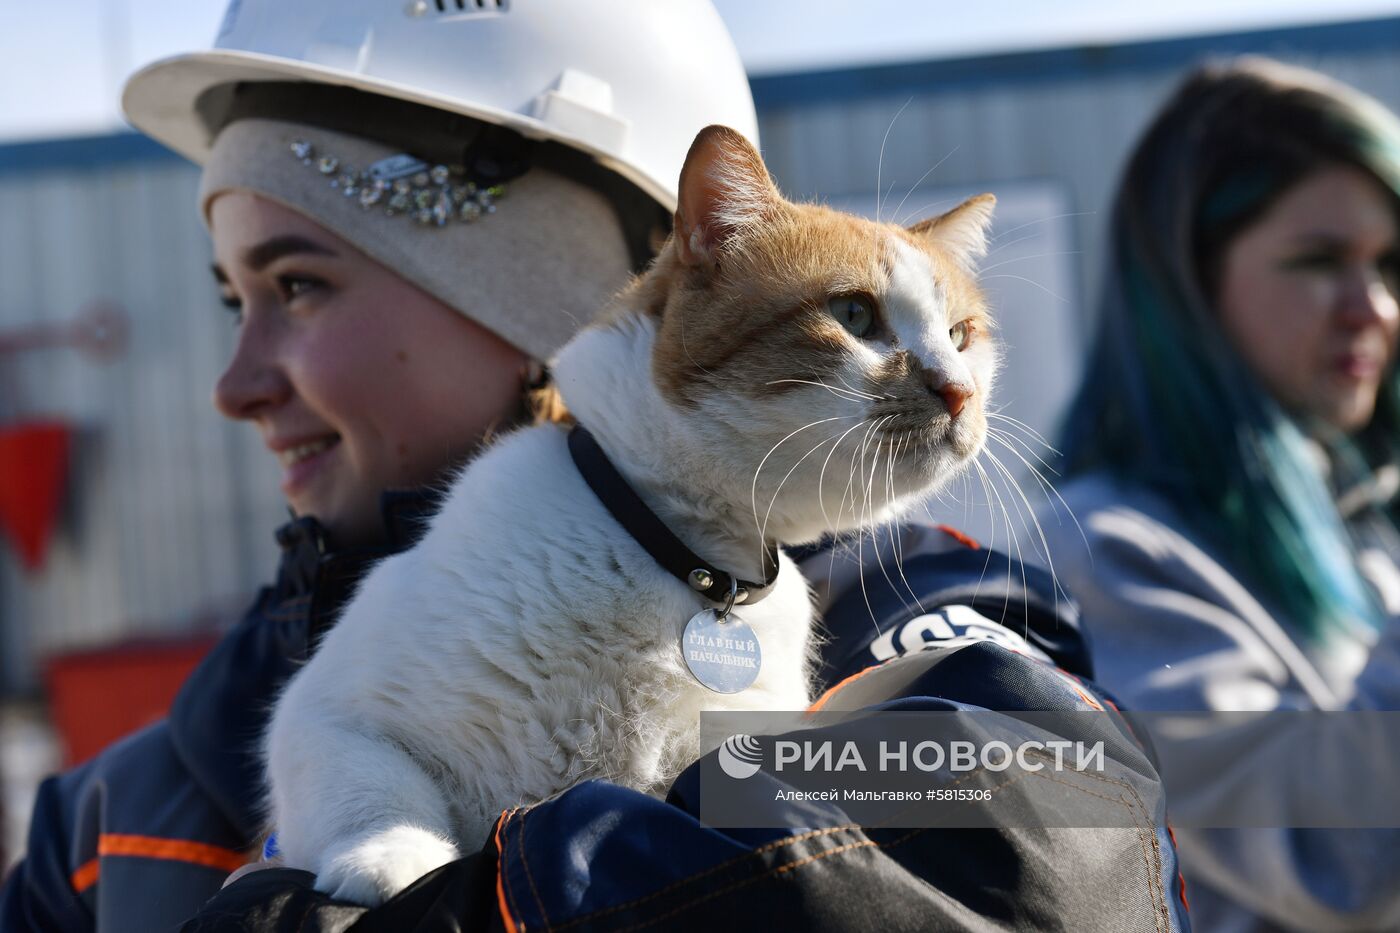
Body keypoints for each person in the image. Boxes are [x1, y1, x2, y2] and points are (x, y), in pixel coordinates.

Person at [2, 3, 1186, 930]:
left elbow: (1050, 842)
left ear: (565, 295)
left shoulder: (898, 606)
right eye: (233, 299)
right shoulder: (105, 811)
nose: (234, 380)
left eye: (300, 286)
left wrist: (470, 909)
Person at [1049, 56, 1400, 932]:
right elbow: (1341, 860)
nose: (1375, 307)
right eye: (1320, 259)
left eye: (1389, 264)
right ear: (1188, 284)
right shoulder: (1106, 554)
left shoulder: (1363, 518)